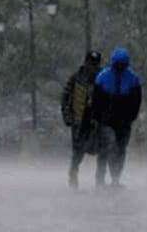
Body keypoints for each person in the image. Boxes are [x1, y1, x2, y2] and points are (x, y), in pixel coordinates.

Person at [91, 47, 142, 188]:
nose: (120, 67)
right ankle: (101, 178)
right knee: (108, 147)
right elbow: (96, 100)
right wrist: (98, 117)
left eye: (122, 64)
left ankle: (115, 178)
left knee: (120, 149)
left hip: (122, 121)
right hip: (107, 120)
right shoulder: (103, 77)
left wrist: (131, 116)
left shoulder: (132, 79)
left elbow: (136, 101)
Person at [61, 50, 103, 190]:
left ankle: (100, 180)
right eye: (91, 64)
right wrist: (67, 116)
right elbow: (66, 97)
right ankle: (73, 173)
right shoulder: (76, 79)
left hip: (98, 120)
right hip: (80, 120)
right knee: (78, 150)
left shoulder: (103, 78)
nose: (93, 68)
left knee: (102, 150)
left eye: (96, 65)